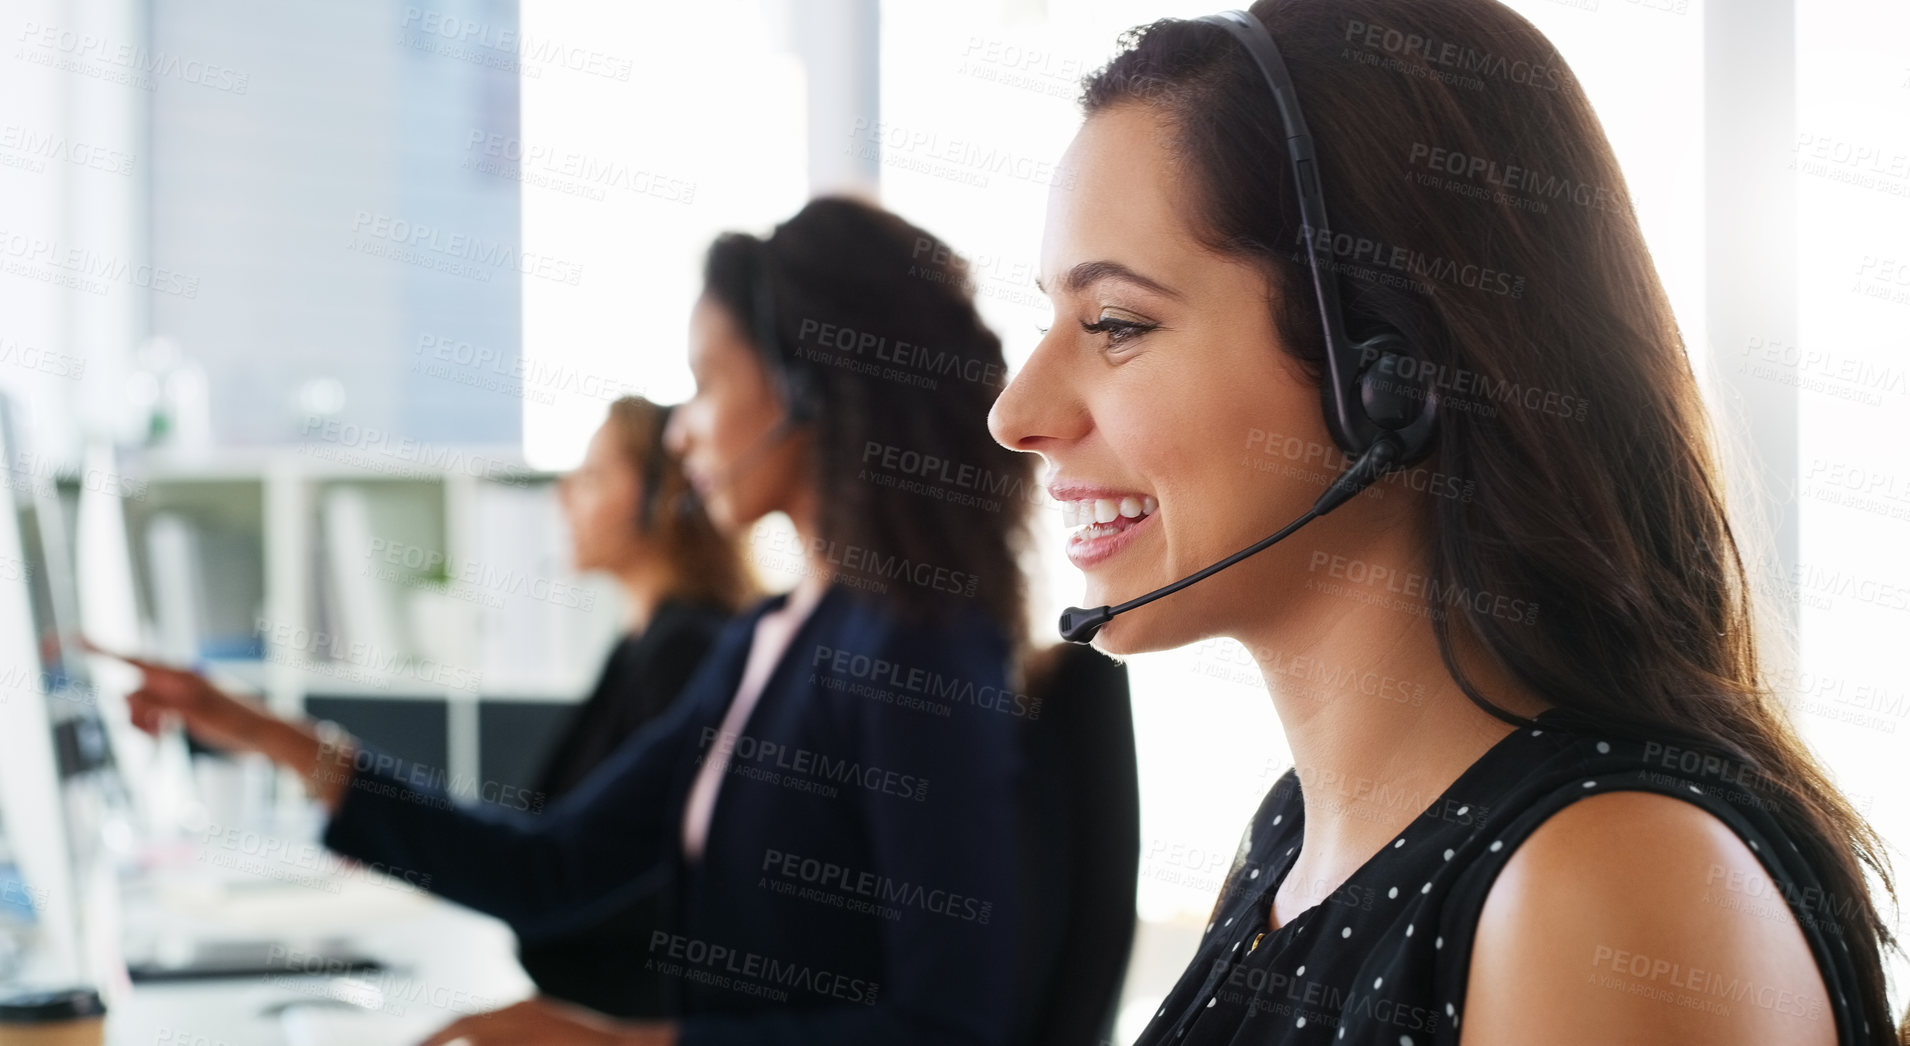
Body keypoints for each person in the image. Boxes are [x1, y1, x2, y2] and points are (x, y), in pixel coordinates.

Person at [987, 2, 1903, 1044]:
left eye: (1114, 324)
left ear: (1390, 370)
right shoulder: (1296, 836)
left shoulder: (1598, 882)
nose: (1014, 415)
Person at [119, 196, 1048, 1045]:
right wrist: (260, 731)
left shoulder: (917, 645)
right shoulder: (770, 637)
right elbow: (550, 867)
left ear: (809, 391)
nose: (682, 431)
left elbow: (951, 1028)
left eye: (707, 384)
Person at [519, 394, 756, 1016]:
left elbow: (641, 880)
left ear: (664, 497)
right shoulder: (640, 641)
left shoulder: (687, 650)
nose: (562, 497)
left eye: (593, 476)